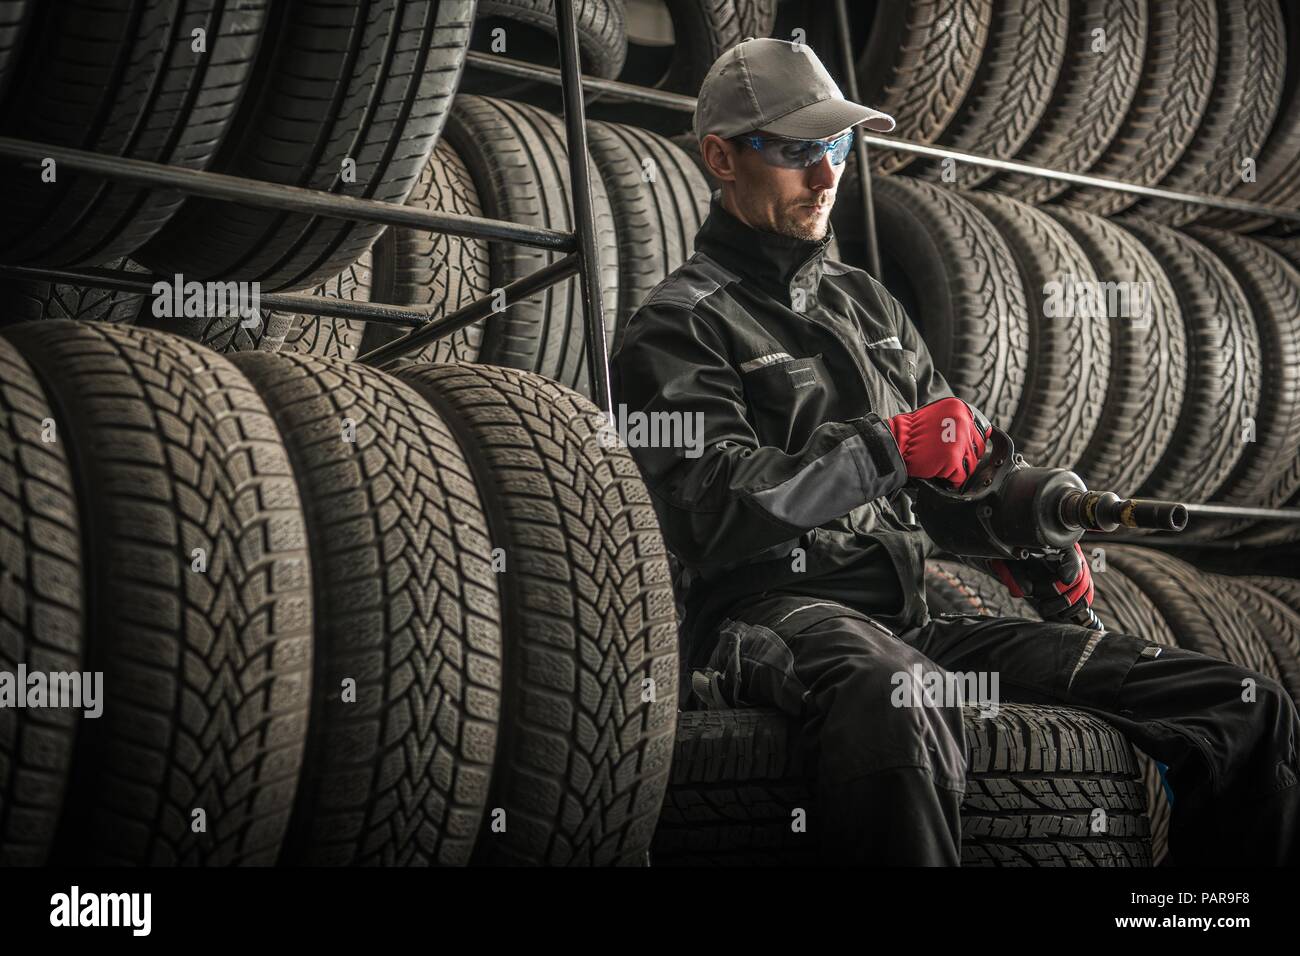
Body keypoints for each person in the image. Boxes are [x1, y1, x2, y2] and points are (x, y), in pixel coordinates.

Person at [609, 37, 1300, 865]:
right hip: (769, 617)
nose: (826, 176)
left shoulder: (868, 305)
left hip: (914, 621)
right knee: (900, 698)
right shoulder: (678, 325)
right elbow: (708, 511)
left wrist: (1031, 529)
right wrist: (888, 447)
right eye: (796, 151)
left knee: (1241, 704)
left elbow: (953, 476)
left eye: (837, 146)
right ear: (721, 157)